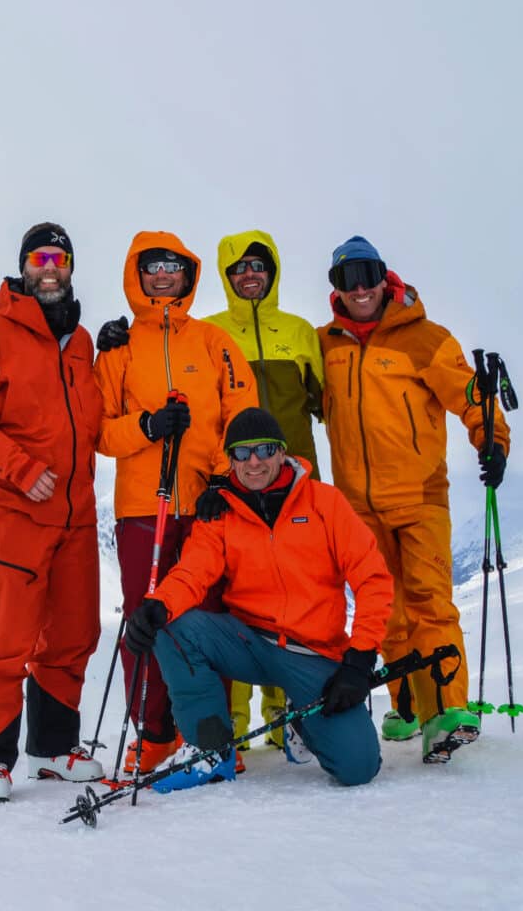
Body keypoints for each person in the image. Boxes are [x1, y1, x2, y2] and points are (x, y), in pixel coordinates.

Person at [124, 407, 395, 792]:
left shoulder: (324, 502)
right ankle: (210, 752)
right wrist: (158, 604)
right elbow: (193, 572)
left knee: (358, 767)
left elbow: (373, 578)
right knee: (173, 626)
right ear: (230, 459)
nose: (254, 461)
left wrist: (360, 657)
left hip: (312, 653)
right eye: (242, 452)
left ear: (282, 452)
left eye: (265, 449)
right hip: (249, 642)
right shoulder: (219, 513)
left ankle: (303, 717)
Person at [317, 236, 511, 764]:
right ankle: (406, 705)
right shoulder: (326, 345)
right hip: (357, 503)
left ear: (385, 277)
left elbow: (472, 395)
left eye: (366, 274)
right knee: (386, 613)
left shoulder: (426, 339)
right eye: (345, 278)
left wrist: (491, 438)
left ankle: (445, 712)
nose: (358, 288)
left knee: (429, 602)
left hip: (421, 495)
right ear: (335, 288)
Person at [0, 222, 106, 802]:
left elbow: (93, 422)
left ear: (71, 267)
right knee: (7, 637)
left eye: (59, 257)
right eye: (39, 257)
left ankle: (53, 750)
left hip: (77, 514)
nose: (50, 266)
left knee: (74, 633)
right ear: (23, 267)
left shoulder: (82, 342)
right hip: (16, 512)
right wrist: (19, 467)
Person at [93, 232, 257, 775]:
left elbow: (242, 412)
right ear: (135, 274)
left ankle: (211, 734)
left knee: (210, 616)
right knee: (147, 618)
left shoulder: (214, 342)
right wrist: (147, 426)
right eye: (152, 266)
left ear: (187, 275)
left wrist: (221, 475)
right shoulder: (118, 348)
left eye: (173, 266)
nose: (163, 275)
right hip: (143, 505)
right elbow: (101, 432)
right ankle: (156, 734)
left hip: (209, 503)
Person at [200, 230, 326, 752]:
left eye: (260, 266)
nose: (250, 275)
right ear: (227, 276)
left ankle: (286, 714)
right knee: (236, 597)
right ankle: (234, 718)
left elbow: (326, 401)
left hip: (298, 487)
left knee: (295, 596)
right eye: (240, 268)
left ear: (272, 273)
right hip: (236, 484)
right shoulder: (210, 333)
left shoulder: (300, 333)